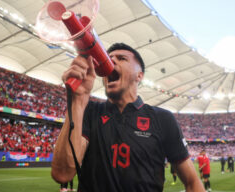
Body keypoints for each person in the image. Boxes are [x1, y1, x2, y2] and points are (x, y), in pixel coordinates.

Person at [51, 43, 204, 192]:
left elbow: (192, 182)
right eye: (109, 59)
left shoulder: (163, 119)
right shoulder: (88, 111)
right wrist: (78, 99)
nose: (111, 62)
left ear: (139, 75)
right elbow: (62, 174)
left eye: (122, 58)